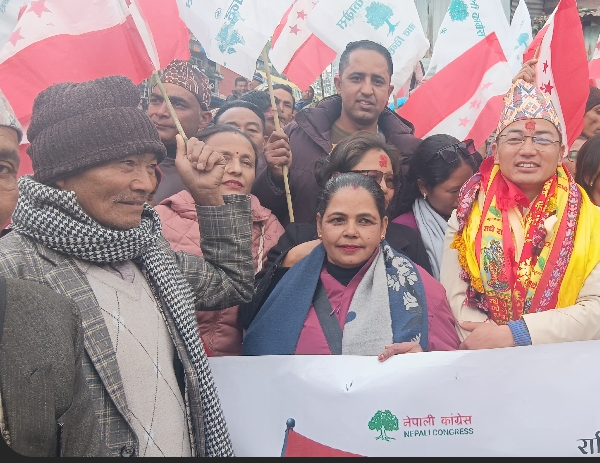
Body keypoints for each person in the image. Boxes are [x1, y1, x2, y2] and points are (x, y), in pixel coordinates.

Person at [0, 76, 255, 457]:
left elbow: (231, 283)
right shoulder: (14, 271)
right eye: (126, 164)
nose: (145, 183)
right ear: (62, 173)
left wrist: (208, 197)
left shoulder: (149, 252)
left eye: (151, 165)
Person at [440, 79, 600, 348]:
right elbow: (456, 301)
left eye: (543, 139)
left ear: (561, 153)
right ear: (496, 152)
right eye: (514, 139)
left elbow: (599, 309)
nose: (528, 150)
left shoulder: (594, 221)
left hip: (563, 359)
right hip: (486, 359)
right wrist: (489, 343)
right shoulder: (465, 218)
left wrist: (516, 335)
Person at [242, 173, 459, 358]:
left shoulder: (424, 292)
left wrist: (423, 364)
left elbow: (449, 376)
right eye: (338, 220)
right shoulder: (283, 289)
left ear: (383, 227)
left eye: (365, 221)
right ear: (319, 225)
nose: (351, 232)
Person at [0, 91, 106, 457]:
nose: (142, 182)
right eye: (126, 163)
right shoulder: (17, 258)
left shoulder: (49, 315)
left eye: (2, 168)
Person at [240, 132, 431, 327]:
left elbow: (429, 313)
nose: (384, 188)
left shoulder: (407, 242)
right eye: (372, 177)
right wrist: (288, 263)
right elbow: (249, 315)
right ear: (337, 178)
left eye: (390, 180)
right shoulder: (298, 239)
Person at [252, 40, 421, 225]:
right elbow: (258, 211)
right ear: (339, 84)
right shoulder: (292, 138)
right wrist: (274, 179)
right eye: (356, 78)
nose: (367, 90)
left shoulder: (407, 154)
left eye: (377, 81)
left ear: (389, 91)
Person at [156, 125, 283, 357]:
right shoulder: (160, 218)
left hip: (241, 366)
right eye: (222, 159)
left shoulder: (271, 227)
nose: (236, 169)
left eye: (247, 162)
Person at [392, 135, 479, 278]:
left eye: (469, 186)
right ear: (423, 187)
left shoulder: (486, 217)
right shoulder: (403, 233)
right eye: (454, 191)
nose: (464, 197)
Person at [147, 59, 213, 203]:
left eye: (178, 104)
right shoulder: (119, 157)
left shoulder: (211, 170)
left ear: (203, 119)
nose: (161, 112)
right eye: (156, 101)